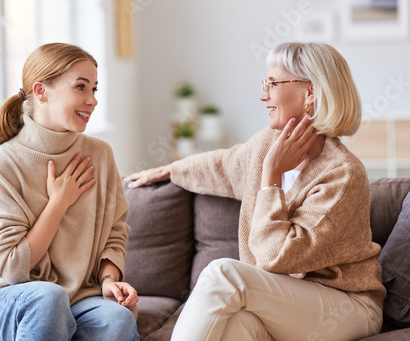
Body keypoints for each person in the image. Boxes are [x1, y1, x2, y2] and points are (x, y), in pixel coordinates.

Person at [125, 42, 385, 341]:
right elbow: (221, 165)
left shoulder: (342, 173)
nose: (263, 95)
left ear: (309, 92)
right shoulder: (265, 145)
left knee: (223, 273)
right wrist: (171, 170)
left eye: (272, 84)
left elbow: (278, 257)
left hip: (348, 308)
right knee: (236, 326)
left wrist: (272, 176)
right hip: (284, 306)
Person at [0, 43, 139, 341]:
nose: (92, 100)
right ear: (41, 92)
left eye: (94, 89)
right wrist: (58, 203)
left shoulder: (100, 154)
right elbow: (12, 269)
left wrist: (109, 279)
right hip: (7, 297)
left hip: (80, 300)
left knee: (118, 320)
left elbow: (115, 231)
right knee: (48, 299)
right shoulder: (2, 164)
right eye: (81, 87)